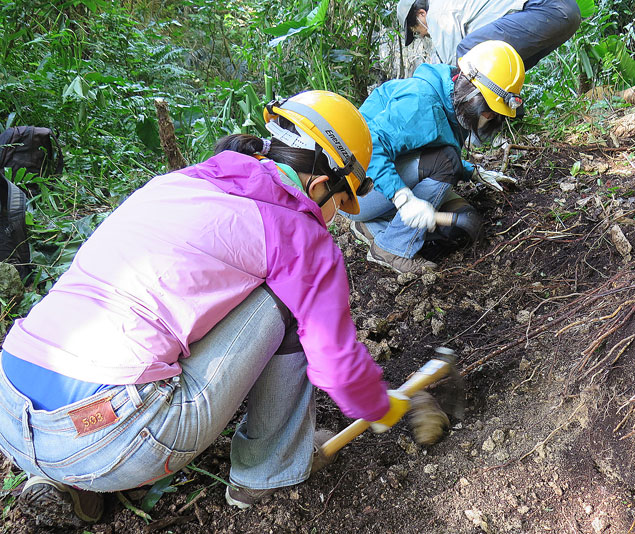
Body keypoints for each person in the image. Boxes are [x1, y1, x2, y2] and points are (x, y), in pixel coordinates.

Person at [0, 90, 411, 526]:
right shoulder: (297, 231)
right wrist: (386, 407)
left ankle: (62, 476)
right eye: (338, 204)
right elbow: (337, 368)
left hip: (10, 405)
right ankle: (266, 474)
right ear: (320, 184)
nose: (332, 217)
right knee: (287, 299)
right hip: (117, 434)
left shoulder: (179, 184)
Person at [345, 40, 524, 275]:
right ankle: (391, 248)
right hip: (357, 190)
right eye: (489, 111)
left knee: (459, 225)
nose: (489, 117)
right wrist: (404, 200)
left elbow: (425, 149)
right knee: (447, 162)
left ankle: (374, 225)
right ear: (473, 91)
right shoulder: (419, 103)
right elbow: (372, 148)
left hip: (381, 184)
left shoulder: (453, 99)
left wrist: (474, 172)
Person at [397, 0, 581, 71]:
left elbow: (451, 66)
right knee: (506, 67)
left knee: (465, 54)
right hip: (566, 11)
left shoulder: (437, 13)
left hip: (546, 9)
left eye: (417, 32)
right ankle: (506, 119)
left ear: (421, 14)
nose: (423, 35)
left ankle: (481, 132)